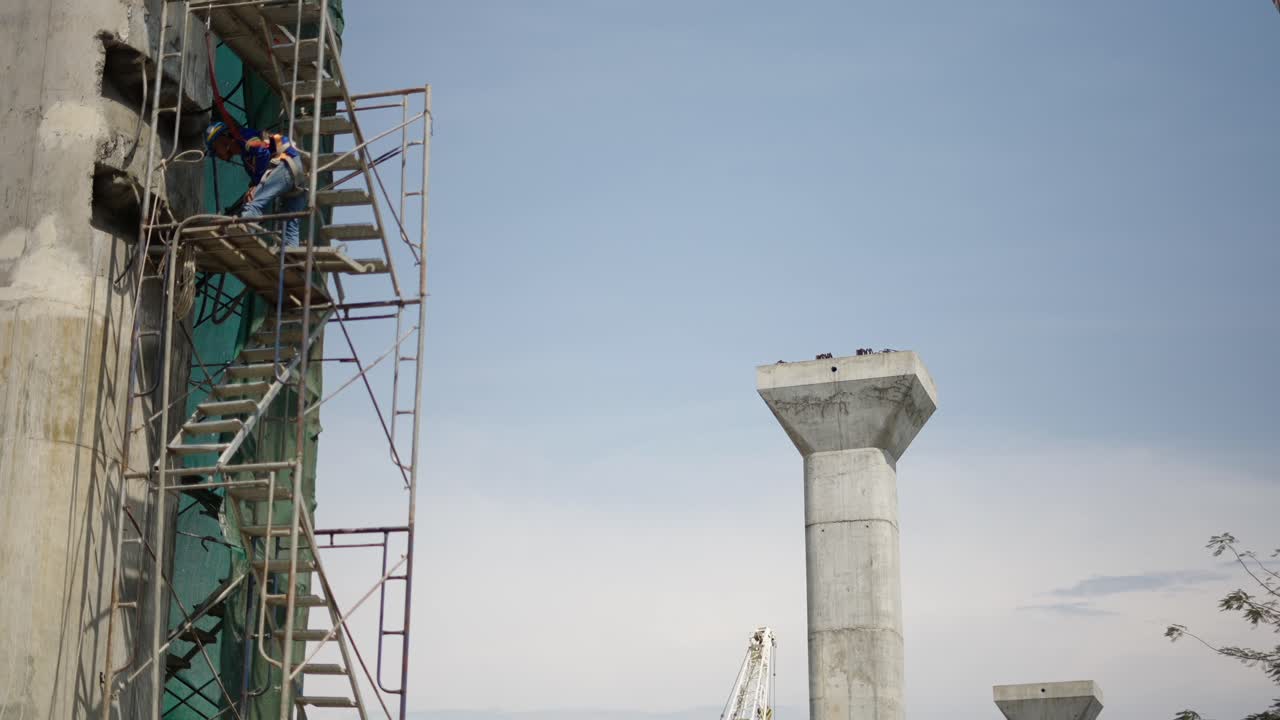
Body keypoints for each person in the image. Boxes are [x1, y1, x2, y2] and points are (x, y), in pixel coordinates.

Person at [205, 121, 307, 247]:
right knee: (290, 221)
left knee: (254, 204)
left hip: (287, 163)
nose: (217, 155)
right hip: (298, 171)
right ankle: (292, 259)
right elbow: (256, 180)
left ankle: (241, 236)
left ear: (223, 138)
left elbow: (262, 151)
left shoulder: (244, 137)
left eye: (215, 149)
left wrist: (257, 185)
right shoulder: (247, 158)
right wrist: (253, 186)